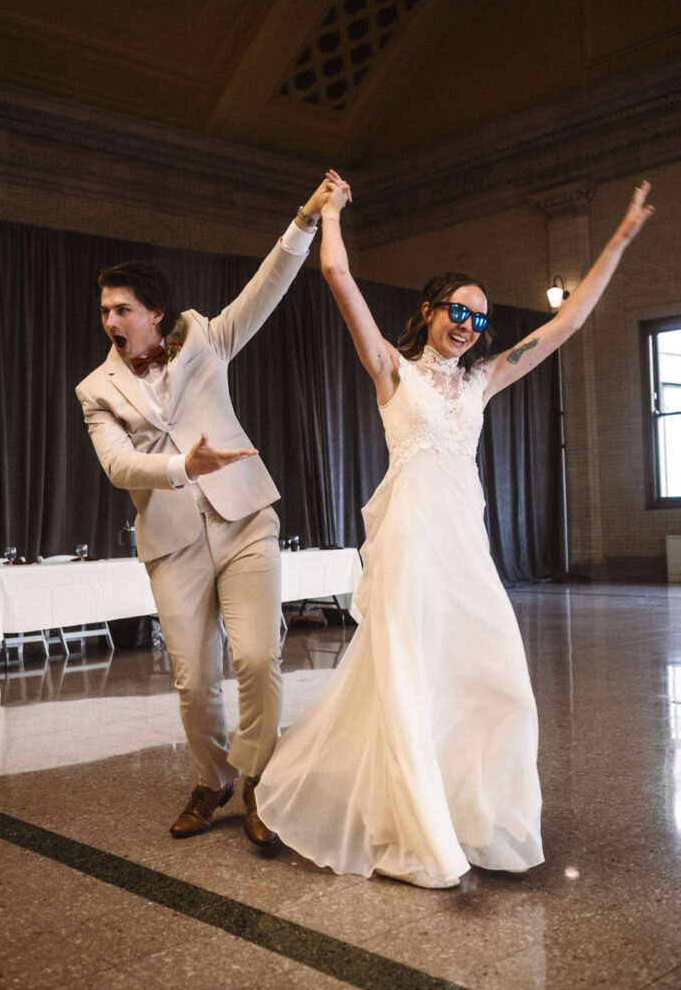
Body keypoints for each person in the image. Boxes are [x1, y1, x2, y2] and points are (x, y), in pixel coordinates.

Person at [256, 172, 654, 887]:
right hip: (410, 541)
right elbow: (336, 272)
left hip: (467, 549)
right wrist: (328, 211)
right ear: (429, 311)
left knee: (494, 676)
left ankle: (470, 813)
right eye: (458, 312)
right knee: (411, 678)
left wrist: (619, 240)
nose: (469, 325)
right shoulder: (392, 372)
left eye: (479, 317)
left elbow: (566, 324)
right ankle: (422, 833)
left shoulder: (484, 381)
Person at [75, 177, 333, 846]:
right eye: (105, 310)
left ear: (155, 312)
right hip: (171, 541)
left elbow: (268, 286)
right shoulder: (96, 390)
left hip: (245, 519)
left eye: (122, 308)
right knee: (194, 684)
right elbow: (116, 466)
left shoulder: (205, 342)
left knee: (255, 658)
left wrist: (304, 218)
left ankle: (259, 781)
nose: (111, 321)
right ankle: (213, 778)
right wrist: (179, 468)